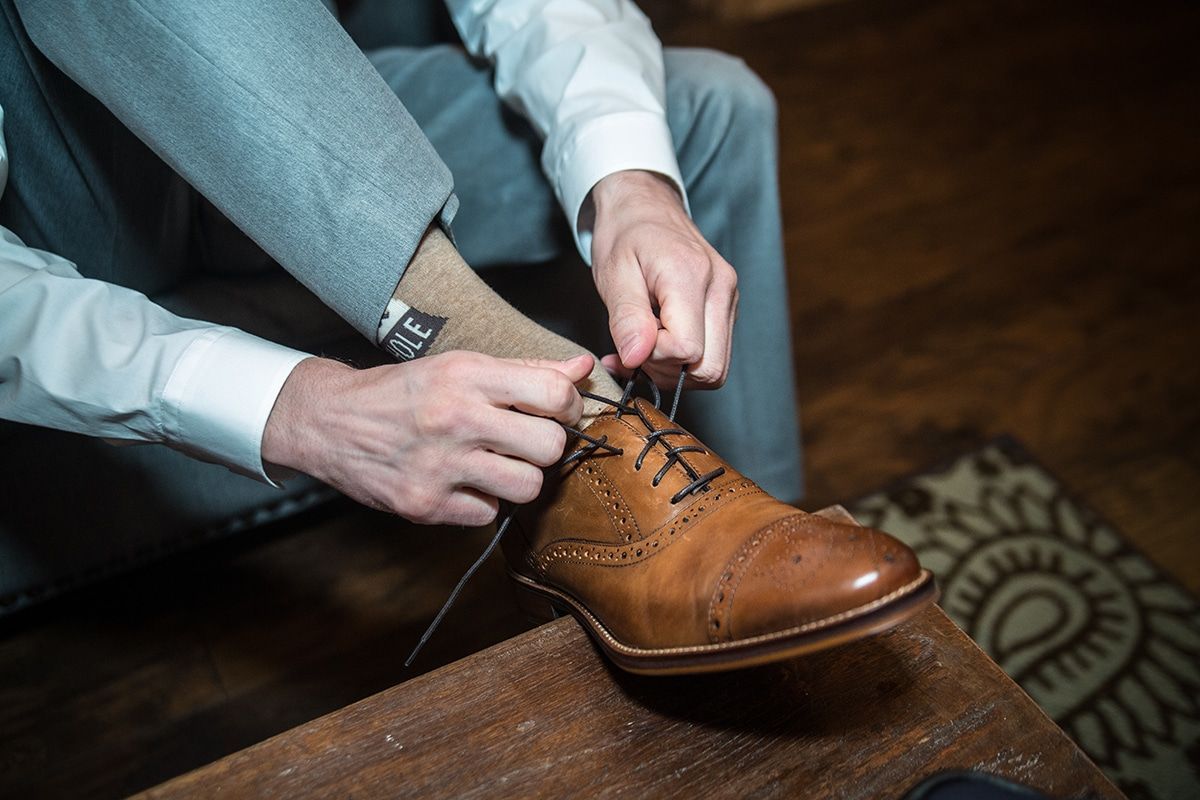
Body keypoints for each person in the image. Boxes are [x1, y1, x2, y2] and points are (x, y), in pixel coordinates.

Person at [1, 0, 933, 672]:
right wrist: (294, 406)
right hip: (66, 195)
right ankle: (568, 412)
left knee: (709, 108)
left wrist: (632, 187)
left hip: (282, 113)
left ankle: (752, 537)